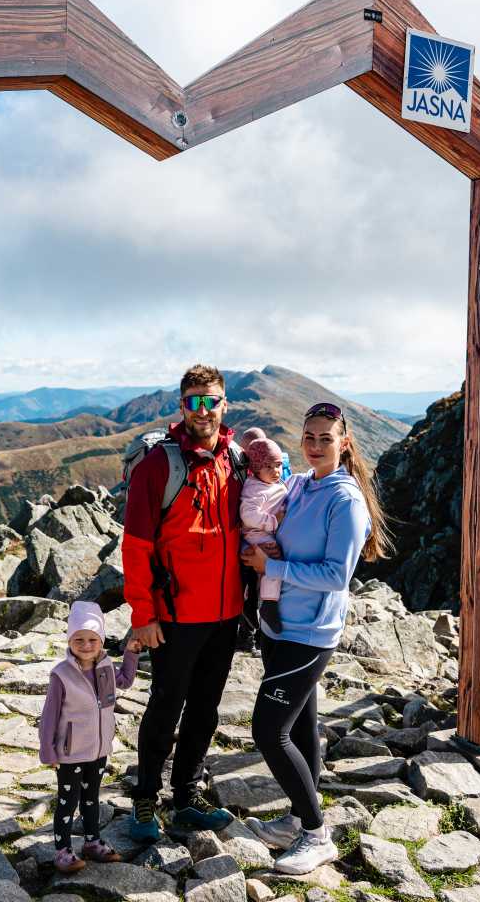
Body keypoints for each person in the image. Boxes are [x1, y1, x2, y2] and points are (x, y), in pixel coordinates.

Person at [242, 402, 392, 874]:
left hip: (310, 633)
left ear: (344, 443)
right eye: (309, 436)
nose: (315, 445)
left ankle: (316, 833)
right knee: (300, 726)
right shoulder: (302, 484)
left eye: (325, 438)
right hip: (279, 624)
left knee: (268, 730)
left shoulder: (345, 500)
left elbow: (335, 575)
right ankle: (296, 818)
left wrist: (273, 567)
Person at [123, 364, 245, 841]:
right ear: (181, 405)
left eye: (211, 400)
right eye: (194, 400)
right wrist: (143, 616)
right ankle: (145, 798)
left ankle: (187, 793)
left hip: (225, 612)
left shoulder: (234, 459)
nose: (203, 409)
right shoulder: (160, 464)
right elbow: (135, 546)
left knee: (206, 708)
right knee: (165, 707)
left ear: (224, 404)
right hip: (174, 616)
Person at [38, 601, 139, 873]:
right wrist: (48, 751)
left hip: (99, 749)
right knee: (67, 802)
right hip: (71, 753)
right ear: (70, 640)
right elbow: (49, 715)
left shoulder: (106, 666)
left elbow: (126, 681)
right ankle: (62, 850)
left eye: (92, 639)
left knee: (92, 798)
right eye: (79, 639)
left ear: (101, 640)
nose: (85, 645)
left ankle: (92, 842)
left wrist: (130, 653)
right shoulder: (61, 674)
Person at [240, 436, 288, 634]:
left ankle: (257, 604)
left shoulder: (273, 483)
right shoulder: (254, 488)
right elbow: (248, 515)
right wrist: (273, 521)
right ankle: (268, 604)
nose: (276, 471)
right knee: (272, 564)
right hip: (258, 534)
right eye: (268, 467)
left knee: (266, 571)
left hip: (265, 532)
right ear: (257, 468)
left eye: (278, 465)